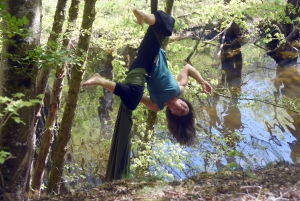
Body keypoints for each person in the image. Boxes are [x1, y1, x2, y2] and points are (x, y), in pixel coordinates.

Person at [83, 9, 212, 146]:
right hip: (153, 53)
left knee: (132, 100)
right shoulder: (179, 89)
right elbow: (188, 68)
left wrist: (126, 93)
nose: (182, 108)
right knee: (168, 22)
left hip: (141, 69)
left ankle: (100, 80)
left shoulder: (157, 106)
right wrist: (202, 81)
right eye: (185, 107)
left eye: (181, 112)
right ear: (184, 102)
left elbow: (137, 98)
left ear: (173, 113)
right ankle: (145, 17)